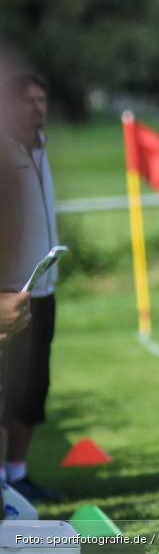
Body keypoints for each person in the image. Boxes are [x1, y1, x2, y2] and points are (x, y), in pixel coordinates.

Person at [0, 71, 62, 503]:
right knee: (7, 388)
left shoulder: (42, 147)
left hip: (43, 289)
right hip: (8, 293)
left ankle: (18, 474)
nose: (37, 107)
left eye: (42, 99)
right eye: (28, 101)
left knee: (34, 387)